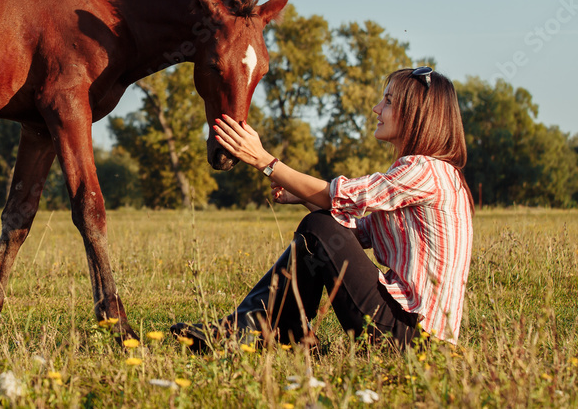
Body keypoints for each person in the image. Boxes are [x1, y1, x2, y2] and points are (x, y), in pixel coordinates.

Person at [172, 67, 473, 350]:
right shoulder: (431, 172)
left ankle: (259, 328)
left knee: (318, 226)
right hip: (410, 331)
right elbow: (350, 233)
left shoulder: (425, 170)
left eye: (388, 101)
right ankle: (269, 328)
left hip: (414, 336)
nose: (377, 109)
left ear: (416, 115)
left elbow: (339, 199)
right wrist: (303, 198)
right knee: (319, 225)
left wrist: (264, 161)